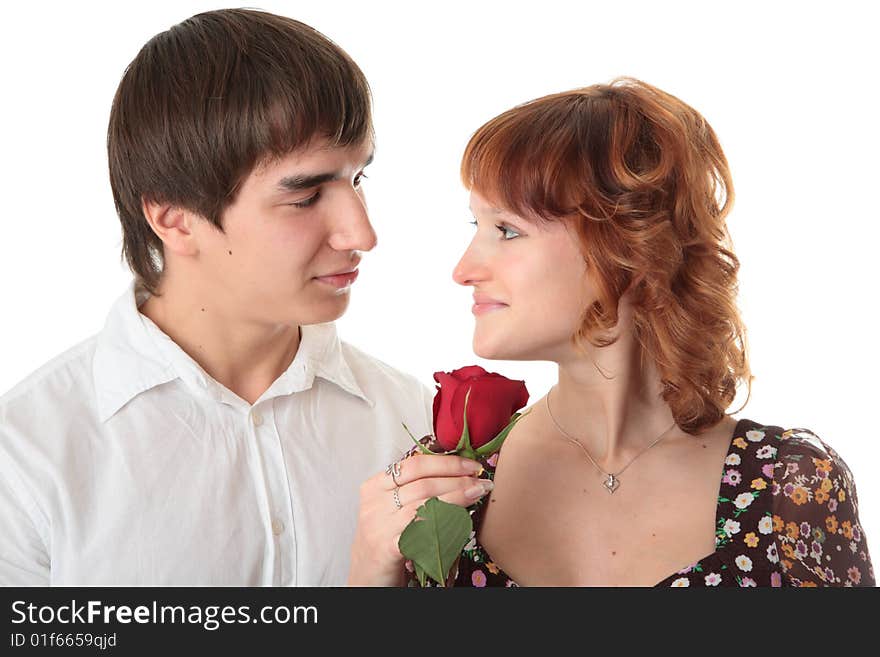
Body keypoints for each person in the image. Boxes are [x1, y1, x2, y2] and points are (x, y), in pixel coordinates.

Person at [0, 8, 482, 586]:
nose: (362, 234)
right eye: (304, 197)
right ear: (175, 219)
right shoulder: (26, 456)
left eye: (358, 180)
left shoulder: (415, 424)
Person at [350, 78, 875, 587]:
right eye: (477, 227)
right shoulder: (447, 484)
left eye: (507, 230)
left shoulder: (790, 485)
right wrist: (370, 577)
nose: (463, 269)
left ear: (628, 245)